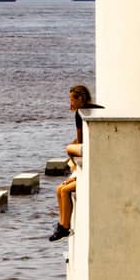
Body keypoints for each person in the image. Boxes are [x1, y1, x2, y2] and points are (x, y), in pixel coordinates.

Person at [50, 84, 102, 241]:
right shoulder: (95, 108)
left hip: (94, 164)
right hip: (91, 162)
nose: (70, 104)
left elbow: (81, 142)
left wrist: (71, 150)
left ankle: (64, 227)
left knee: (69, 149)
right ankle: (61, 225)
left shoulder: (80, 113)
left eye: (72, 100)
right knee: (60, 188)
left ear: (80, 99)